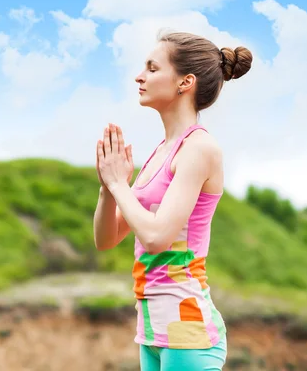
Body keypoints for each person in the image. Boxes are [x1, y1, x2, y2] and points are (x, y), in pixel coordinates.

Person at [93, 30, 253, 371]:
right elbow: (106, 239)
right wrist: (108, 188)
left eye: (152, 68)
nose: (140, 76)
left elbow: (155, 238)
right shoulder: (159, 153)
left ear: (185, 82)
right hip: (152, 333)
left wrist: (121, 185)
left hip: (188, 335)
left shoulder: (199, 149)